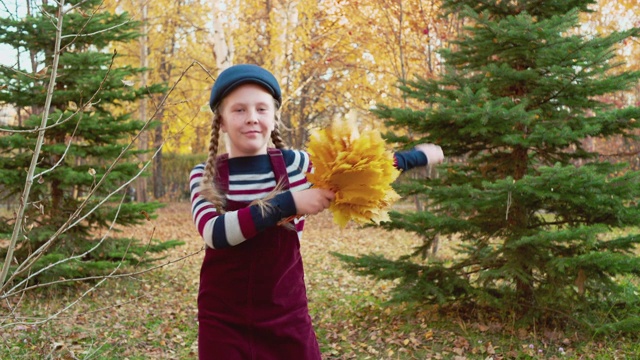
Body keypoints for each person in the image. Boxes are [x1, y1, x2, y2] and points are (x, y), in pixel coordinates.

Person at [189, 64, 444, 359]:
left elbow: (359, 168)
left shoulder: (296, 166)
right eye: (239, 110)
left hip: (286, 318)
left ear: (273, 117)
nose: (252, 119)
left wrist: (416, 157)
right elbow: (215, 233)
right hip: (223, 324)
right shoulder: (206, 175)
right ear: (220, 120)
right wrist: (291, 203)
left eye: (261, 109)